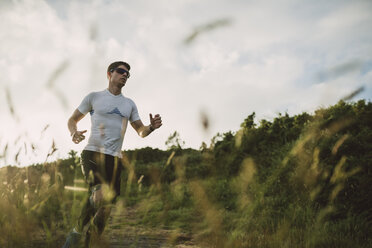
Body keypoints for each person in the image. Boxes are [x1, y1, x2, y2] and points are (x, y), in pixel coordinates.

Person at [62, 61, 162, 248]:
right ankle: (76, 232)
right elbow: (72, 119)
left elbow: (140, 131)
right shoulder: (94, 97)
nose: (125, 75)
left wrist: (151, 128)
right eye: (121, 71)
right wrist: (73, 132)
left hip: (115, 159)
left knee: (105, 210)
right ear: (110, 74)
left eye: (127, 74)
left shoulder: (129, 104)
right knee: (99, 194)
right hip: (93, 152)